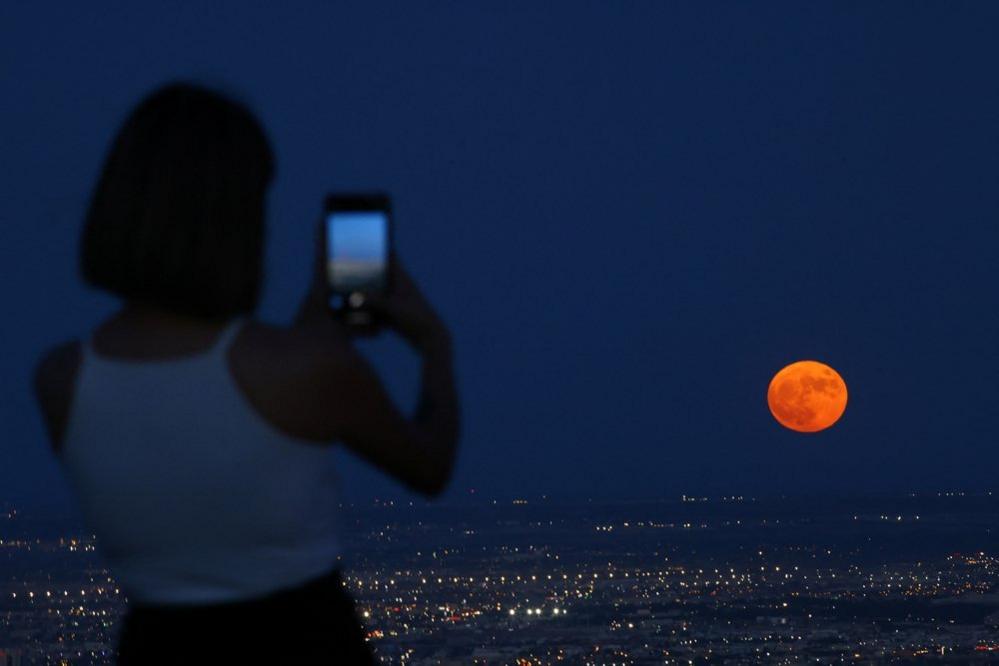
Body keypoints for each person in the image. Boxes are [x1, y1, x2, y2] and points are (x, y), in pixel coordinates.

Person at [31, 82, 460, 664]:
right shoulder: (304, 371)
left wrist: (314, 316)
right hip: (303, 643)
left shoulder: (61, 380)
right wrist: (436, 343)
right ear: (238, 219)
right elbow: (429, 465)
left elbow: (219, 404)